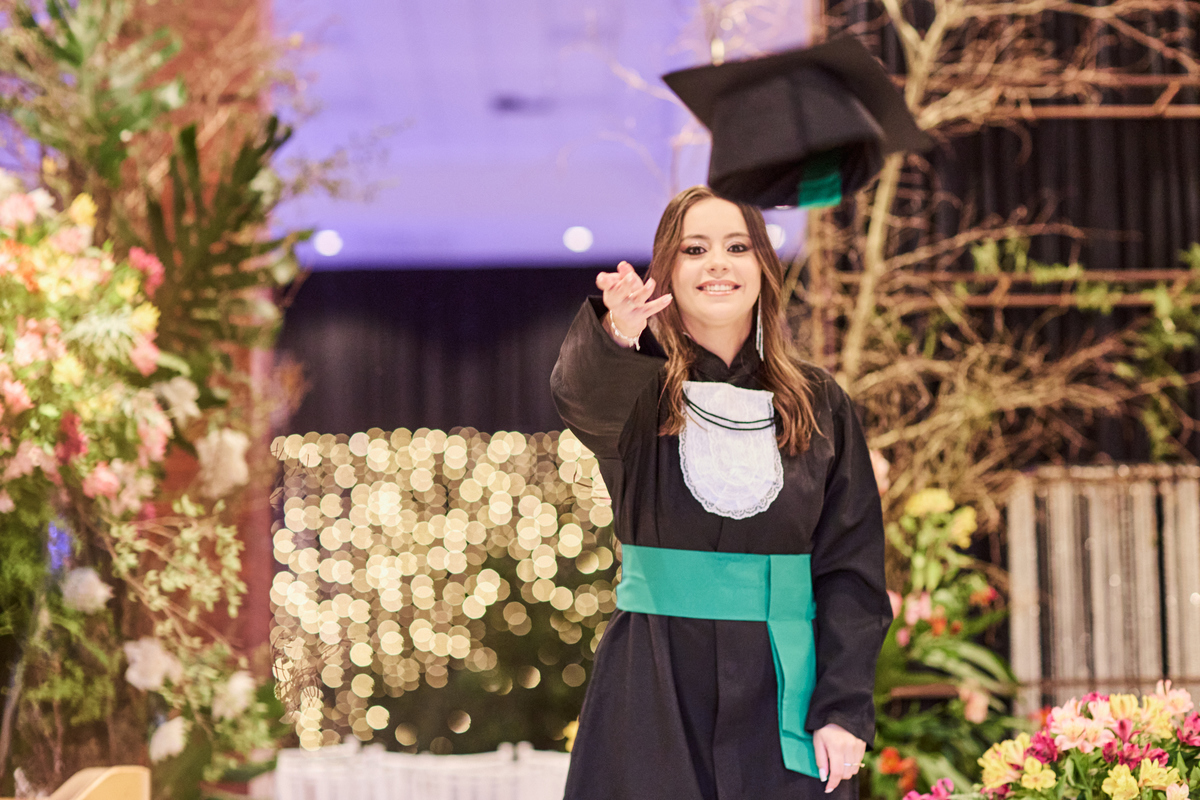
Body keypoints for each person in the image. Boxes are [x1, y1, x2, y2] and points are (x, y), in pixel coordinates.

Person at [550, 185, 892, 800]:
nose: (717, 264)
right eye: (694, 249)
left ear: (764, 266)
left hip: (786, 688)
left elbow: (851, 568)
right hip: (654, 684)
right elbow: (582, 398)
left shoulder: (820, 403)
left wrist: (843, 708)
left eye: (737, 247)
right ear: (666, 272)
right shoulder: (638, 392)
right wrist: (619, 331)